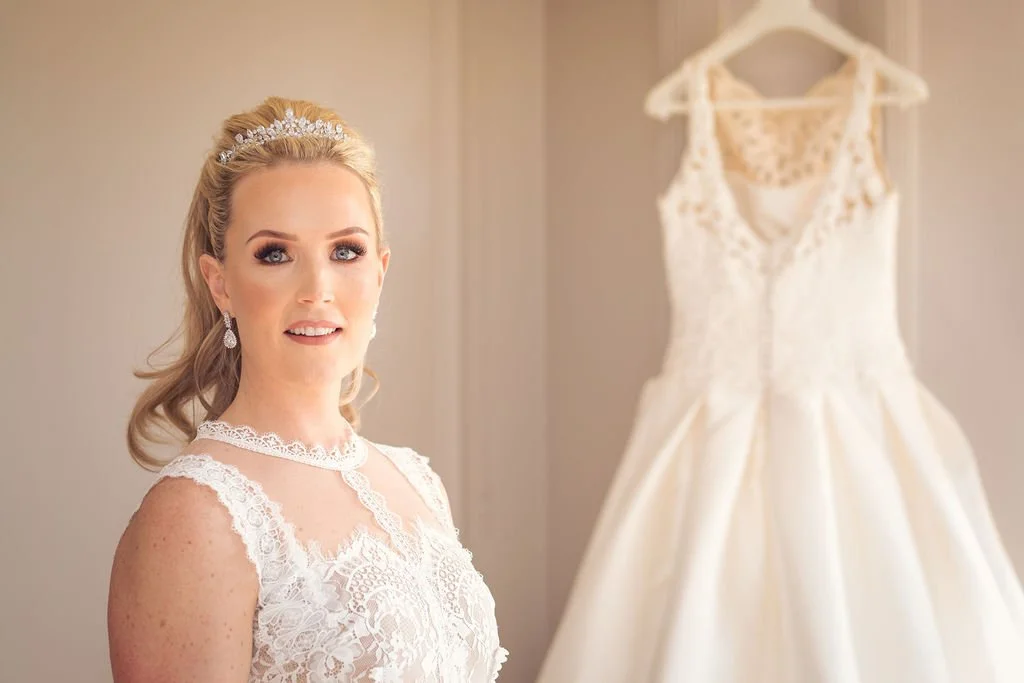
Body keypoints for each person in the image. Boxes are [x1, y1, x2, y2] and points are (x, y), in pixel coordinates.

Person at [107, 96, 508, 682]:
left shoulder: (417, 481)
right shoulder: (196, 516)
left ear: (379, 272)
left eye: (346, 251)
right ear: (220, 284)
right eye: (275, 254)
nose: (318, 288)